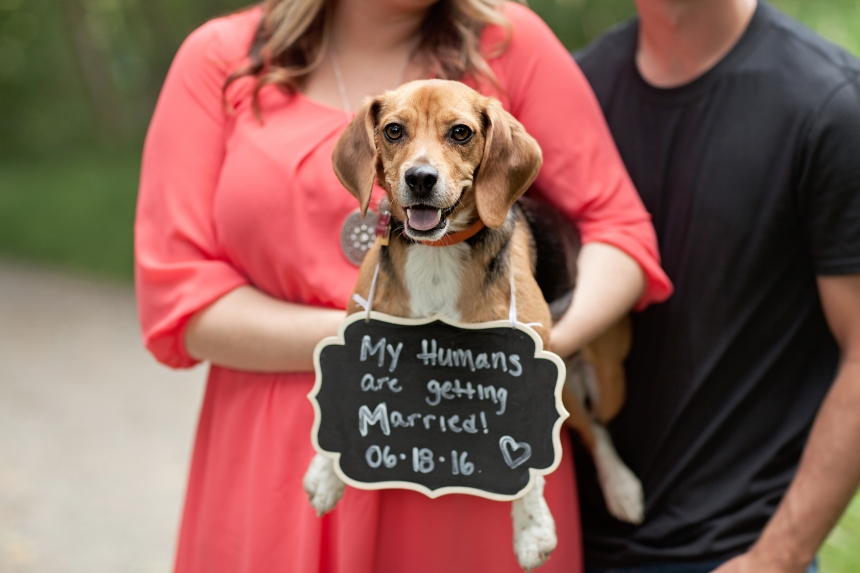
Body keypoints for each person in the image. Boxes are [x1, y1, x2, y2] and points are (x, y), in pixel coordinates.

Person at [134, 0, 673, 571]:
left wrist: (528, 353)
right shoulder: (220, 58)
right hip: (275, 466)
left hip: (482, 455)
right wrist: (385, 342)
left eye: (458, 135)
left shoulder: (508, 37)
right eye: (396, 134)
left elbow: (619, 230)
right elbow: (180, 299)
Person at [573, 0, 860, 572]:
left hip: (733, 554)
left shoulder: (829, 103)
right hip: (568, 549)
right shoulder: (577, 90)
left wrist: (777, 557)